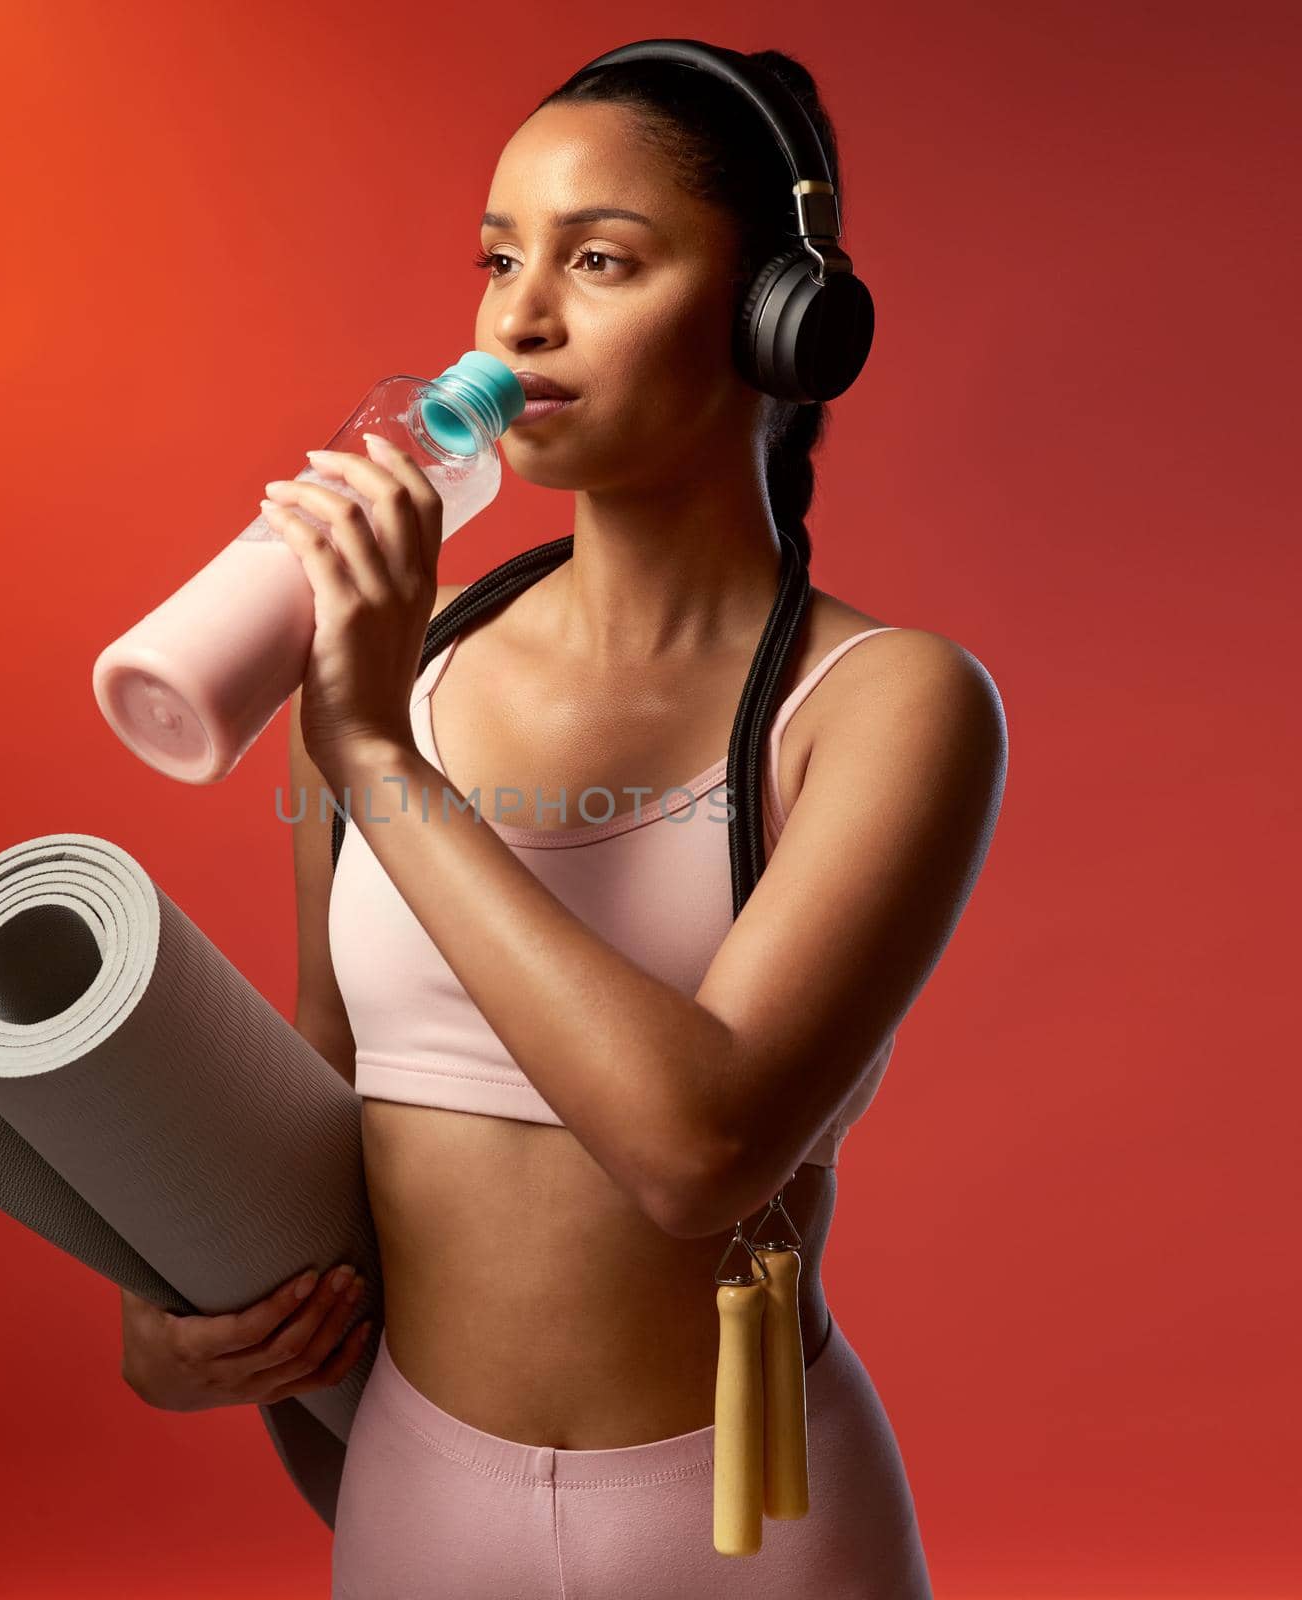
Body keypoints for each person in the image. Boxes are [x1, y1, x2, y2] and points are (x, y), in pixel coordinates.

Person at [129, 44, 1006, 1600]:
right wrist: (182, 1291)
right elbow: (318, 1091)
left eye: (599, 260)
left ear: (774, 319)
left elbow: (700, 1151)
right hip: (412, 1496)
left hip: (742, 1514)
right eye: (497, 258)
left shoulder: (889, 707)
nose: (519, 316)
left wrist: (380, 757)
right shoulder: (408, 654)